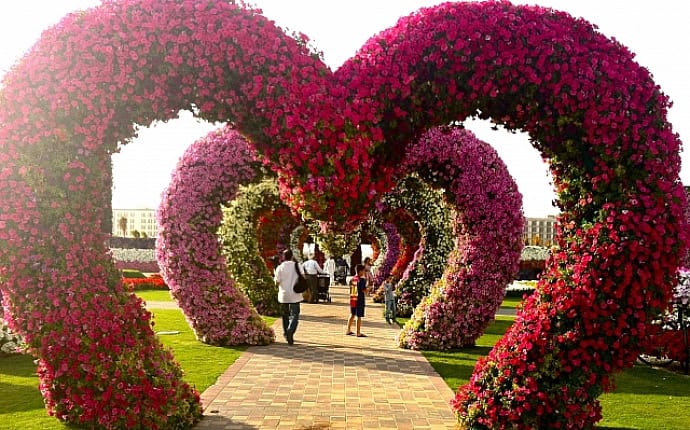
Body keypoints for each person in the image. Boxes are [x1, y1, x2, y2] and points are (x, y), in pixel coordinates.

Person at [274, 249, 304, 345]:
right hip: (295, 294)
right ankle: (290, 330)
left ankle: (287, 333)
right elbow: (303, 277)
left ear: (283, 257)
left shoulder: (280, 267)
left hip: (284, 294)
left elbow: (277, 282)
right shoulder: (297, 265)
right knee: (295, 314)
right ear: (291, 256)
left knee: (285, 315)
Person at [346, 264, 368, 337]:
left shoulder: (352, 279)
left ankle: (348, 330)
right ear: (360, 271)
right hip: (359, 300)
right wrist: (368, 290)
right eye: (364, 271)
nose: (364, 272)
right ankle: (358, 332)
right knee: (359, 316)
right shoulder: (362, 280)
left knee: (352, 314)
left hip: (353, 299)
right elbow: (364, 291)